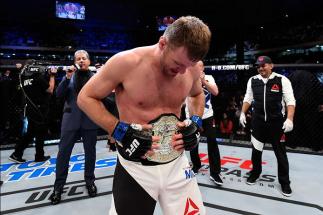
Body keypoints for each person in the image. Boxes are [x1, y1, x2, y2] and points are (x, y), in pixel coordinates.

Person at [77, 16, 211, 215]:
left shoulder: (191, 68)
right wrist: (118, 129)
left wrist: (196, 121)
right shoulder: (127, 62)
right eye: (178, 63)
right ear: (163, 43)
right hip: (136, 167)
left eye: (188, 65)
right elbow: (85, 97)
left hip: (177, 164)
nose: (182, 71)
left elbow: (198, 93)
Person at [239, 56, 296, 197]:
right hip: (258, 123)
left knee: (280, 154)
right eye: (258, 66)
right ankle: (255, 173)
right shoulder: (253, 80)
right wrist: (242, 113)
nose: (260, 68)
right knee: (256, 151)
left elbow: (290, 101)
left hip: (277, 123)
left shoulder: (282, 80)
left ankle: (285, 182)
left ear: (271, 65)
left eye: (263, 65)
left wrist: (289, 119)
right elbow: (248, 98)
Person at [50, 50, 99, 205]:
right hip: (70, 121)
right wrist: (66, 78)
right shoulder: (69, 77)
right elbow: (58, 94)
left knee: (90, 153)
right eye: (78, 59)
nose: (81, 61)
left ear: (89, 61)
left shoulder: (96, 78)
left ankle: (90, 181)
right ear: (74, 62)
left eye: (84, 58)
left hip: (90, 121)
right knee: (63, 154)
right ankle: (58, 188)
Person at [185, 61, 223, 186]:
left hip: (208, 115)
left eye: (198, 65)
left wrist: (203, 81)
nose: (195, 67)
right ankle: (196, 165)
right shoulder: (187, 78)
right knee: (192, 142)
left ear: (202, 68)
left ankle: (215, 172)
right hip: (192, 115)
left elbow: (216, 92)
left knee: (212, 142)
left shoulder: (209, 78)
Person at [9, 62, 56, 163]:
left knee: (30, 133)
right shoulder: (38, 78)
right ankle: (39, 156)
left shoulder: (25, 79)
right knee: (40, 133)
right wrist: (52, 76)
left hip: (31, 109)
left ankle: (17, 153)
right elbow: (50, 90)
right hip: (39, 110)